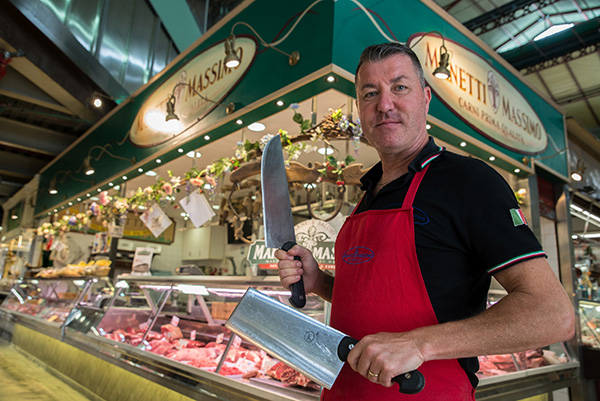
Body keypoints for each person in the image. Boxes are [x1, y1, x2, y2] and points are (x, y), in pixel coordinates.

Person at [275, 42, 575, 400]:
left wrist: (420, 344)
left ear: (426, 97)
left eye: (399, 87)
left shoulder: (469, 182)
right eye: (370, 93)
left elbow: (552, 314)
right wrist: (319, 282)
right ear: (359, 109)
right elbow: (373, 301)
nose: (384, 104)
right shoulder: (366, 193)